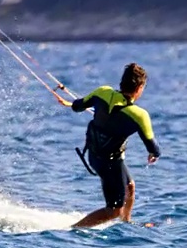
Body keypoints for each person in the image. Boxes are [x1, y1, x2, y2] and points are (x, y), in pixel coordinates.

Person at [56, 63, 161, 228]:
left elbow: (78, 106)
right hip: (109, 162)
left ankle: (127, 224)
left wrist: (70, 103)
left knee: (130, 187)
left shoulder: (103, 92)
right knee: (113, 210)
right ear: (140, 88)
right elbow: (153, 148)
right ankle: (74, 229)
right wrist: (153, 154)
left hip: (95, 156)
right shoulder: (140, 115)